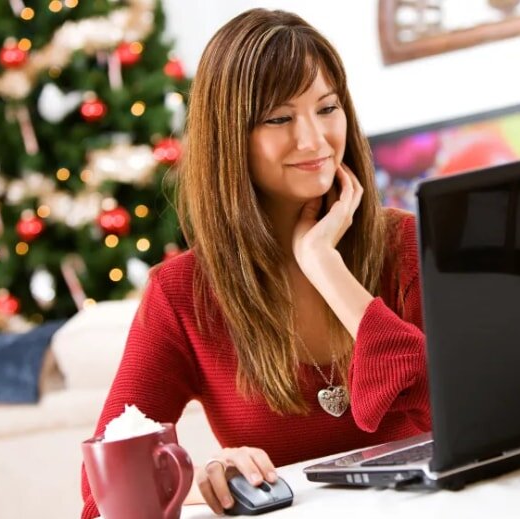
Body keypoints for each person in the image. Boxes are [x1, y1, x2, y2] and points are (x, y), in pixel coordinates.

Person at [80, 9, 429, 518]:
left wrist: (326, 267)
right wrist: (203, 482)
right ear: (230, 138)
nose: (314, 140)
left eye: (327, 108)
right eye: (279, 118)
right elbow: (101, 495)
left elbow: (468, 416)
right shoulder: (182, 294)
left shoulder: (404, 244)